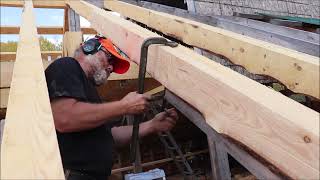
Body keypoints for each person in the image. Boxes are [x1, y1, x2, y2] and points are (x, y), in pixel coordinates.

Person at [45, 35, 178, 180]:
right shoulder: (66, 65)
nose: (111, 67)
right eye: (109, 59)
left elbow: (111, 135)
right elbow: (65, 118)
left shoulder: (90, 94)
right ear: (89, 48)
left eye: (113, 66)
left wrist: (152, 125)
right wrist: (124, 106)